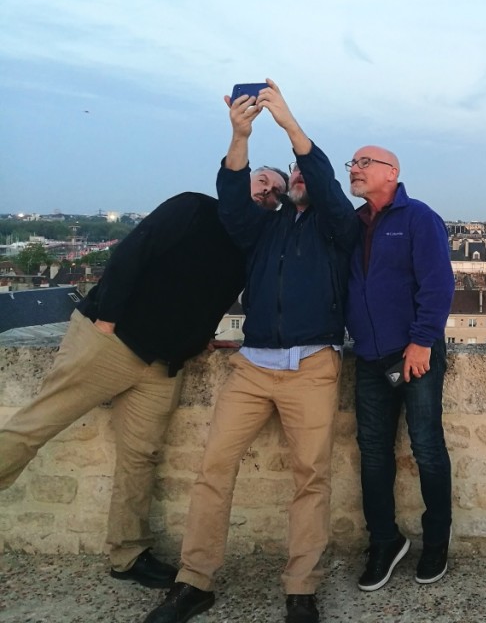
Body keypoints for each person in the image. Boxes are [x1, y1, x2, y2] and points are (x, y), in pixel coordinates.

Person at [0, 169, 285, 589]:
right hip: (111, 342)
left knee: (141, 457)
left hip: (163, 365)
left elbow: (212, 296)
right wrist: (109, 317)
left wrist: (199, 336)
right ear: (241, 181)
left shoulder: (248, 245)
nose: (267, 191)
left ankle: (128, 554)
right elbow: (136, 249)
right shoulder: (194, 207)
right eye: (262, 179)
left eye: (275, 191)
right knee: (34, 427)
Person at [144, 79, 358, 623]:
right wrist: (239, 134)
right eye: (293, 173)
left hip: (312, 364)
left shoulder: (337, 228)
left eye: (305, 172)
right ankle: (195, 581)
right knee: (215, 468)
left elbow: (330, 189)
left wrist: (288, 124)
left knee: (311, 476)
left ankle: (301, 589)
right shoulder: (262, 227)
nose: (299, 176)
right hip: (254, 365)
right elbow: (233, 196)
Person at [344, 145, 455, 591]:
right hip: (370, 357)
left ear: (392, 172)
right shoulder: (354, 225)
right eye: (351, 163)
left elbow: (438, 282)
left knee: (427, 447)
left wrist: (422, 341)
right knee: (372, 453)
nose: (354, 168)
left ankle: (436, 542)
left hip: (415, 353)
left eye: (363, 162)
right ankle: (384, 542)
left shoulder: (418, 218)